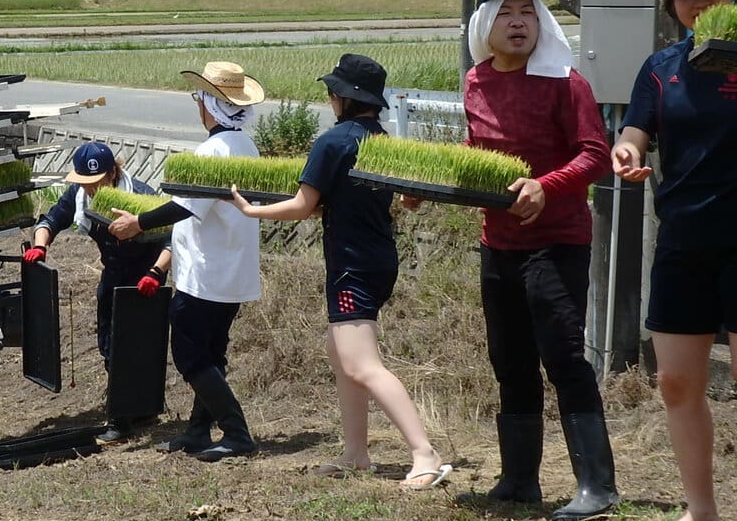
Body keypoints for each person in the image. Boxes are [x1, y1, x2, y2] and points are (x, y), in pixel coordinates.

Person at [230, 54, 452, 489]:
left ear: (343, 98)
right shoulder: (382, 141)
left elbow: (301, 206)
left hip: (351, 265)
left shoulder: (333, 142)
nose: (330, 98)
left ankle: (425, 455)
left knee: (362, 363)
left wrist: (249, 209)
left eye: (332, 92)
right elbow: (405, 197)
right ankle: (355, 454)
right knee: (340, 354)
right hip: (379, 259)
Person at [445, 0, 619, 521]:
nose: (517, 22)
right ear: (484, 24)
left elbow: (594, 153)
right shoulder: (476, 81)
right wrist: (429, 189)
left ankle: (598, 486)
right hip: (499, 241)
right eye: (505, 11)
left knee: (564, 357)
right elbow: (476, 149)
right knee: (510, 361)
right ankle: (519, 480)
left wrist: (546, 186)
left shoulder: (567, 81)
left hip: (557, 241)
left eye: (526, 11)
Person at [611, 0, 737, 521]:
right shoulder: (661, 68)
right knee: (677, 384)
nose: (698, 0)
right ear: (670, 3)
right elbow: (636, 130)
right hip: (684, 237)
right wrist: (629, 151)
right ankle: (701, 514)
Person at [108, 62, 264, 461]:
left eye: (200, 100)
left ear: (211, 106)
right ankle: (197, 432)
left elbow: (184, 207)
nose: (198, 107)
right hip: (233, 269)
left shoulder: (212, 151)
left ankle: (236, 432)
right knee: (212, 354)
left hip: (206, 272)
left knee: (191, 356)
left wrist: (137, 222)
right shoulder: (247, 145)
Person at [24, 141, 172, 444]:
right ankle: (132, 410)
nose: (90, 189)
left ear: (112, 174)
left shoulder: (141, 196)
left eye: (96, 182)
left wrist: (156, 273)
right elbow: (50, 220)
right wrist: (41, 245)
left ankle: (123, 420)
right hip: (113, 277)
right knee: (109, 345)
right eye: (85, 183)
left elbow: (173, 240)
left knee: (136, 348)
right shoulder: (79, 196)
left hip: (145, 280)